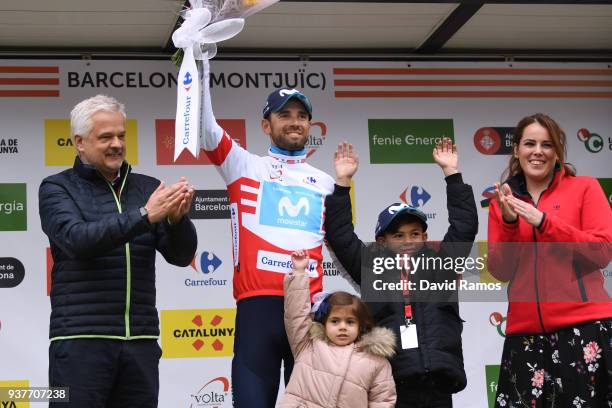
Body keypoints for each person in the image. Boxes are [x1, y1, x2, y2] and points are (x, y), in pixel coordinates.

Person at [39, 94, 197, 407]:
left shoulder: (147, 188)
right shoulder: (57, 187)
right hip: (81, 341)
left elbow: (180, 257)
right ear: (80, 142)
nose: (116, 144)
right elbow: (76, 240)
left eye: (121, 135)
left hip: (140, 342)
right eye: (106, 137)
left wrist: (177, 221)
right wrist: (143, 216)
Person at [200, 60, 335, 406]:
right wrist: (198, 65)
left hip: (308, 309)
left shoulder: (325, 182)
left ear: (309, 124)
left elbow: (342, 244)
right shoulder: (244, 166)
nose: (294, 122)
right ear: (266, 124)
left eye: (301, 115)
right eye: (284, 114)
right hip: (257, 309)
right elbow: (205, 128)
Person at [324, 138, 478, 407]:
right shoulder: (372, 269)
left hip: (439, 379)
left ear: (425, 236)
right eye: (398, 235)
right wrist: (342, 183)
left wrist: (452, 174)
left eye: (415, 233)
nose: (408, 240)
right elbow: (340, 236)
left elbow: (464, 227)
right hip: (391, 381)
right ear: (382, 241)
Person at [488, 113, 612, 407]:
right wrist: (508, 222)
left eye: (547, 144)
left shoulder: (585, 187)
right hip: (525, 336)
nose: (538, 151)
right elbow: (500, 270)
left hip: (584, 327)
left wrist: (545, 222)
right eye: (530, 143)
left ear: (557, 152)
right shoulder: (501, 201)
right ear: (516, 149)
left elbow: (603, 251)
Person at [278, 250, 397, 407]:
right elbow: (296, 314)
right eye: (335, 321)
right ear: (324, 323)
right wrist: (299, 272)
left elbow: (382, 401)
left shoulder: (375, 361)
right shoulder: (308, 345)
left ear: (361, 325)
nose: (342, 327)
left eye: (350, 322)